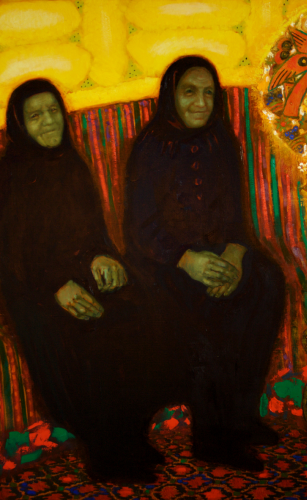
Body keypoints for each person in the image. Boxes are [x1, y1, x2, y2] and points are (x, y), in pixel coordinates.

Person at [0, 80, 168, 483]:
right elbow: (11, 260)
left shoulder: (71, 164)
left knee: (142, 307)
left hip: (78, 274)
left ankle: (129, 435)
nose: (48, 122)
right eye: (35, 116)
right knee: (90, 337)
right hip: (33, 293)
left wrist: (101, 257)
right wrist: (55, 289)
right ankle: (106, 451)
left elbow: (92, 232)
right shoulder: (8, 176)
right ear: (20, 125)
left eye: (53, 111)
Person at [124, 56, 286, 472]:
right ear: (171, 96)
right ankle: (213, 438)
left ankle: (241, 418)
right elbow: (140, 228)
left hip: (218, 254)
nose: (200, 102)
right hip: (162, 264)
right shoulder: (151, 145)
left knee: (266, 281)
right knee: (207, 310)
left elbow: (236, 215)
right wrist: (186, 260)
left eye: (209, 93)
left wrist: (235, 252)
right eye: (190, 92)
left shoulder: (221, 140)